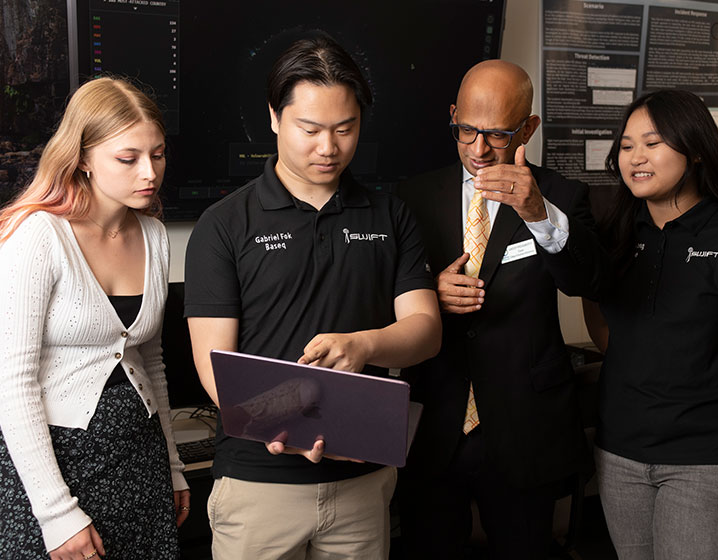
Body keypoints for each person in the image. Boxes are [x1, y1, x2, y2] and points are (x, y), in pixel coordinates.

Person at [184, 34, 440, 560]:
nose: (329, 147)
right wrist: (279, 424)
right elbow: (215, 367)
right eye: (311, 129)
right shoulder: (224, 225)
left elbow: (426, 330)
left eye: (345, 130)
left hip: (363, 480)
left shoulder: (389, 215)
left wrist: (365, 345)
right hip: (259, 484)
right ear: (275, 118)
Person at [396, 59, 609, 558]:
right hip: (433, 425)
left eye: (496, 135)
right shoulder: (412, 197)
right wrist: (429, 293)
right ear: (453, 115)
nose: (478, 149)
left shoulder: (561, 196)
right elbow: (381, 292)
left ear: (528, 128)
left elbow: (588, 280)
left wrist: (538, 215)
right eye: (466, 130)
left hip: (524, 429)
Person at [582, 89, 718, 560]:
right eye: (626, 145)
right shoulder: (616, 232)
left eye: (653, 143)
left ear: (696, 149)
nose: (635, 157)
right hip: (620, 452)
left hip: (707, 461)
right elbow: (597, 308)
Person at [0, 77, 190, 560]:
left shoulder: (154, 236)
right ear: (82, 157)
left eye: (159, 154)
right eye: (127, 159)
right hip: (55, 467)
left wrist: (171, 463)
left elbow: (152, 363)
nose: (149, 172)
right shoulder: (38, 235)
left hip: (138, 460)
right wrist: (56, 514)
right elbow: (12, 382)